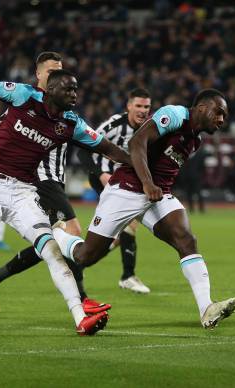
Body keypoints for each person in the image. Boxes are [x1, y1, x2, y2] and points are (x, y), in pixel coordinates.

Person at [0, 47, 130, 336]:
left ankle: (80, 317)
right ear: (48, 85)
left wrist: (139, 164)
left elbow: (106, 147)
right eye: (69, 89)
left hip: (23, 193)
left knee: (51, 250)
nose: (75, 95)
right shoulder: (23, 95)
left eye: (76, 89)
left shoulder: (71, 123)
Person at [52, 89, 235, 329]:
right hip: (126, 190)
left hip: (158, 195)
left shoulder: (196, 139)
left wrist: (155, 187)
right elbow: (136, 142)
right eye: (219, 112)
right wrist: (148, 182)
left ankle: (207, 308)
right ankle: (57, 233)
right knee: (86, 255)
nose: (222, 120)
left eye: (224, 115)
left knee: (186, 240)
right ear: (202, 107)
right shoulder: (174, 115)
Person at [0, 52, 108, 315]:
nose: (57, 76)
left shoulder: (62, 108)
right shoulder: (26, 99)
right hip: (37, 178)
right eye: (51, 72)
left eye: (59, 71)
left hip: (54, 179)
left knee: (49, 241)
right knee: (70, 232)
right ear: (39, 75)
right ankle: (82, 300)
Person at [79, 87, 152, 294]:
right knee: (129, 226)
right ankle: (128, 276)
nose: (142, 110)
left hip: (130, 182)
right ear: (128, 106)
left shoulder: (150, 127)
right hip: (105, 179)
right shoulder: (113, 125)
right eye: (138, 105)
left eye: (146, 106)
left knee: (119, 236)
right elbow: (83, 150)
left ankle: (79, 263)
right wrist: (100, 174)